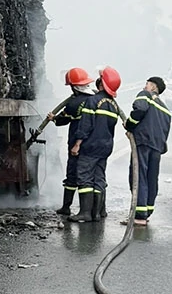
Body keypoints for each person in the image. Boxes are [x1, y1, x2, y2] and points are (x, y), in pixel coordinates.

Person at [68, 67, 123, 223]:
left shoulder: (92, 101)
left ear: (101, 83)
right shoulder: (114, 105)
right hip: (105, 148)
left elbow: (85, 125)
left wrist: (77, 144)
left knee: (84, 176)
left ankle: (85, 213)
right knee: (99, 178)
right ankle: (97, 213)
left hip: (90, 146)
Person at [122, 76, 172, 226]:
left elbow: (140, 109)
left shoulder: (146, 96)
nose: (145, 87)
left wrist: (129, 125)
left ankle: (140, 215)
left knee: (139, 176)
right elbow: (165, 131)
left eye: (147, 84)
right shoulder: (165, 110)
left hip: (143, 142)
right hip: (157, 147)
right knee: (151, 178)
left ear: (154, 88)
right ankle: (147, 210)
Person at [48, 67, 94, 217]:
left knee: (73, 175)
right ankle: (96, 211)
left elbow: (63, 120)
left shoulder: (73, 103)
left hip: (76, 143)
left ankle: (66, 207)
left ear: (74, 86)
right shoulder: (94, 100)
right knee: (91, 175)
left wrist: (53, 118)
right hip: (91, 144)